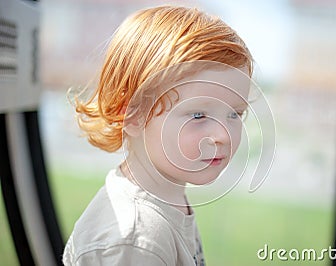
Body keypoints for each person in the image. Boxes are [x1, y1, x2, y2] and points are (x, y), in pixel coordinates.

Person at [63, 5, 253, 266]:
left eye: (234, 114)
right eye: (199, 115)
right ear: (132, 115)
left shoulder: (167, 200)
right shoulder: (137, 240)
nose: (223, 135)